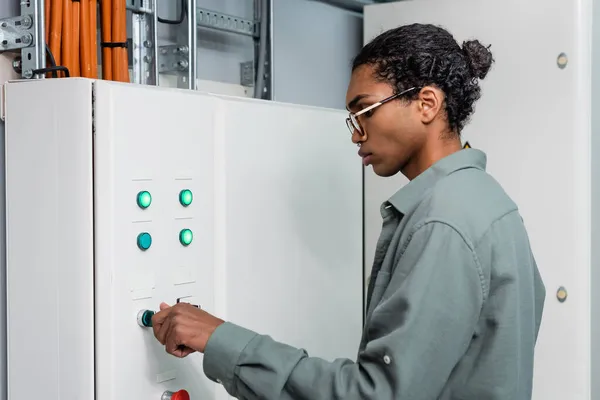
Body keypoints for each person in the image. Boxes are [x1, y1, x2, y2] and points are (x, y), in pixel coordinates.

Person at [151, 23, 546, 399]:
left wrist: (219, 339)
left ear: (426, 103)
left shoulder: (443, 222)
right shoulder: (489, 202)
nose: (356, 134)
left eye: (365, 111)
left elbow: (375, 395)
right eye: (351, 119)